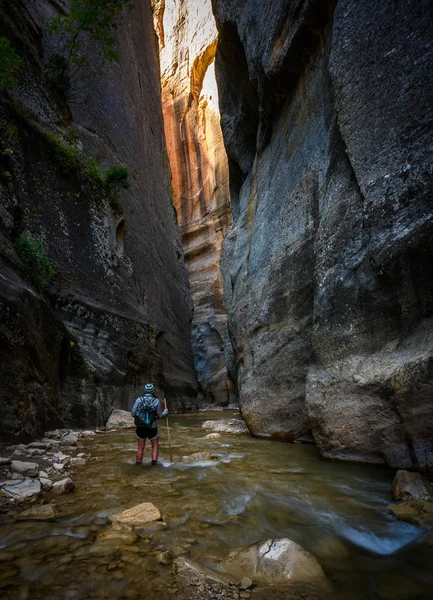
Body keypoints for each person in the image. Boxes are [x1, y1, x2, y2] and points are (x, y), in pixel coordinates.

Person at [131, 383, 168, 465]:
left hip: (140, 426)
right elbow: (160, 415)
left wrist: (140, 416)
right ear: (152, 391)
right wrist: (165, 412)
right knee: (155, 446)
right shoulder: (156, 401)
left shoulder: (139, 400)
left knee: (140, 448)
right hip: (152, 426)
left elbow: (133, 413)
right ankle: (154, 464)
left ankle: (138, 465)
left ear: (144, 391)